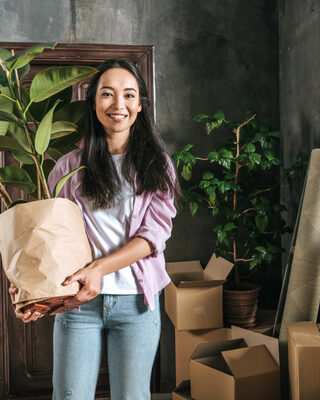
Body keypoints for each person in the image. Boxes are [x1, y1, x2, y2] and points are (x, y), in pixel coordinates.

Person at [9, 59, 179, 400]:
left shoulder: (156, 164)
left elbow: (152, 237)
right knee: (70, 395)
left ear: (140, 105)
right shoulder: (69, 166)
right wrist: (34, 291)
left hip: (137, 303)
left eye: (129, 95)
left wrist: (98, 269)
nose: (119, 105)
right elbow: (49, 241)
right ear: (93, 102)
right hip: (78, 305)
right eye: (107, 94)